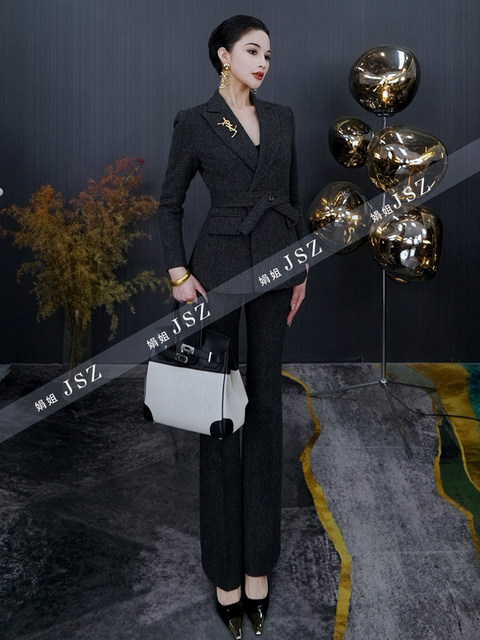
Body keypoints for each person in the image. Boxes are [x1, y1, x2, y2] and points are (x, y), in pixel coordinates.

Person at [158, 15, 307, 638]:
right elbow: (168, 205)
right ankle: (224, 571)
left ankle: (257, 567)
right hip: (215, 269)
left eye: (268, 53)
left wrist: (301, 270)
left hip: (275, 265)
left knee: (267, 407)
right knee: (218, 414)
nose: (263, 62)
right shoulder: (195, 122)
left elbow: (293, 201)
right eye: (252, 50)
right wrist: (177, 274)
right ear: (224, 55)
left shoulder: (282, 118)